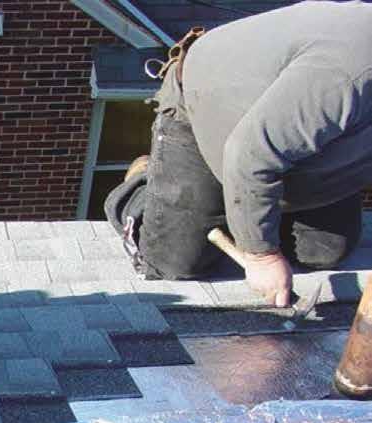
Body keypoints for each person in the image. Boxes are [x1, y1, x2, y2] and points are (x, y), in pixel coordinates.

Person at [104, 1, 372, 307]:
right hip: (213, 110)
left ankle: (253, 205)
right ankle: (147, 181)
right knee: (176, 263)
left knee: (322, 252)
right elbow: (250, 155)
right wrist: (262, 256)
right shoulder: (348, 75)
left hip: (301, 141)